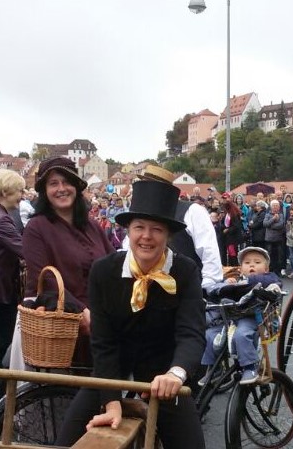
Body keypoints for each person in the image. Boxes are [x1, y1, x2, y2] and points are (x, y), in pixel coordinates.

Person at [56, 180, 206, 448]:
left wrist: (176, 374)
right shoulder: (104, 271)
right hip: (111, 372)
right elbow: (103, 343)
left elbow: (191, 333)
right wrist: (110, 401)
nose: (146, 236)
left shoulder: (185, 271)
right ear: (128, 230)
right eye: (139, 227)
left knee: (191, 444)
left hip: (162, 376)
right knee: (67, 440)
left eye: (156, 229)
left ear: (168, 235)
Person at [14, 157, 114, 368]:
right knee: (65, 395)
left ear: (77, 186)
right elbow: (46, 279)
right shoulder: (36, 228)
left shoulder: (92, 225)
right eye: (53, 183)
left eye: (67, 182)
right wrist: (81, 312)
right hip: (59, 327)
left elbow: (113, 264)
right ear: (45, 191)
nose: (62, 189)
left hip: (100, 326)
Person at [200, 246, 281, 386]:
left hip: (252, 317)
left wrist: (249, 282)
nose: (252, 265)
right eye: (247, 263)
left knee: (241, 335)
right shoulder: (237, 281)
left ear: (266, 268)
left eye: (257, 262)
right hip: (230, 317)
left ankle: (250, 367)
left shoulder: (268, 278)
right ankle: (214, 367)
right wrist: (228, 283)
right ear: (241, 267)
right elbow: (220, 290)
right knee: (209, 335)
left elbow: (275, 284)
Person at [136, 166, 223, 288]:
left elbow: (209, 251)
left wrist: (205, 286)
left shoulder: (193, 211)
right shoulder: (140, 215)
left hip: (186, 287)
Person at [0, 169, 25, 367]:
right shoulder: (2, 220)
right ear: (6, 192)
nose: (22, 196)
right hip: (0, 295)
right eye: (19, 191)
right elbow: (25, 250)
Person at [263, 199, 285, 276]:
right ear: (271, 207)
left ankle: (278, 271)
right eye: (274, 206)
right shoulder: (267, 215)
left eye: (277, 206)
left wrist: (271, 226)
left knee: (279, 256)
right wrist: (273, 219)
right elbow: (265, 224)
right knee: (269, 255)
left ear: (279, 207)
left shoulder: (281, 215)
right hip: (269, 239)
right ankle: (270, 270)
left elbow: (281, 225)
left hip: (278, 239)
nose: (275, 207)